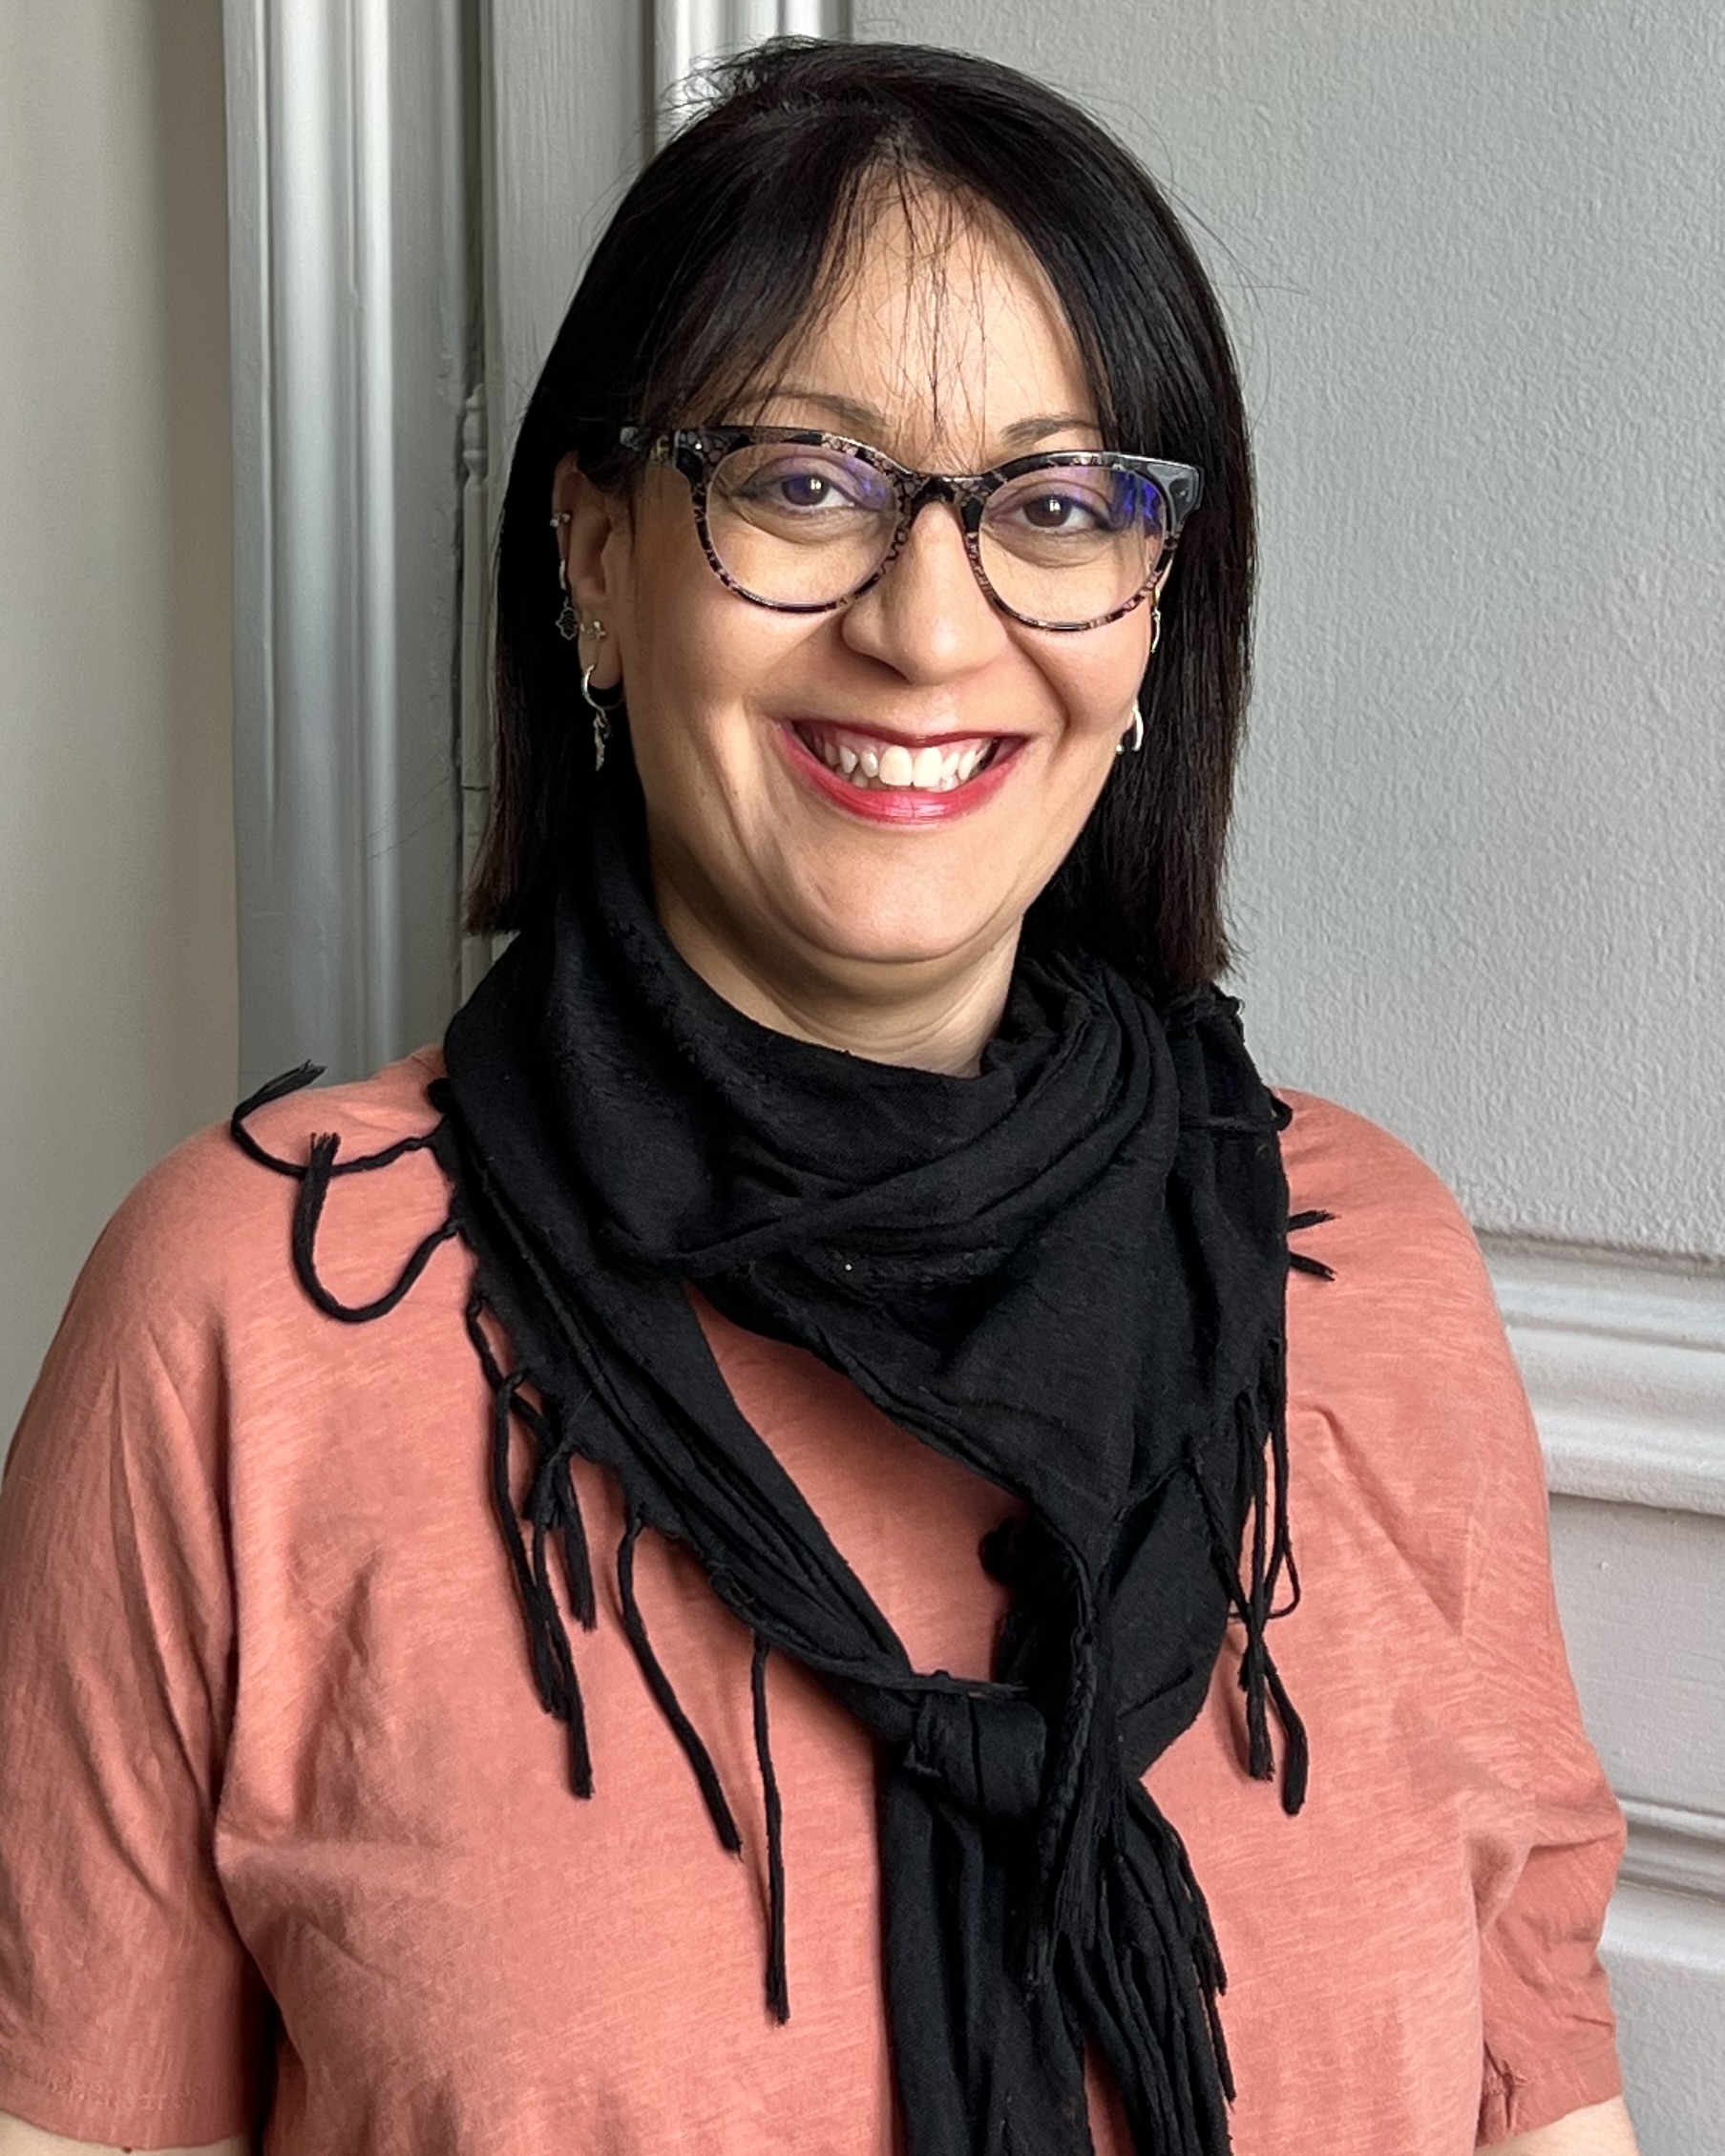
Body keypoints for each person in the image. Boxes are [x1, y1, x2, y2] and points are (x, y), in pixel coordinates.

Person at [0, 37, 1636, 2156]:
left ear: (1152, 613)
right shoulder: (238, 1325)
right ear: (595, 555)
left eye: (1057, 505)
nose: (929, 626)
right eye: (803, 479)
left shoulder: (1367, 1275)